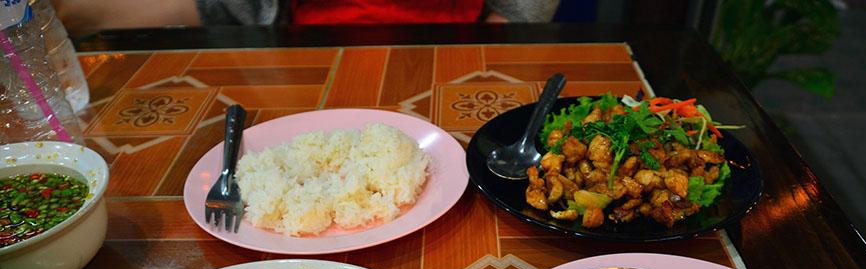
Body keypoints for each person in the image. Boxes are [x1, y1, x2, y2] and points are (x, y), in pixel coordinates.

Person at [53, 0, 560, 35]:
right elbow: (215, 7)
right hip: (297, 53)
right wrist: (59, 16)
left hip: (455, 45)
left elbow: (520, 13)